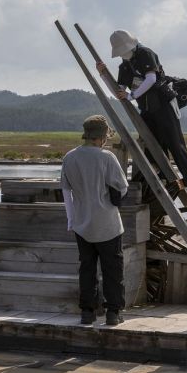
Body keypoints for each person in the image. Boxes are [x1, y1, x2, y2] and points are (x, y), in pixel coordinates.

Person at [98, 30, 187, 201]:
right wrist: (103, 75)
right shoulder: (124, 66)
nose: (122, 55)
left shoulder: (145, 54)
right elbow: (119, 92)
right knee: (152, 146)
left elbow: (151, 79)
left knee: (175, 145)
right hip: (146, 109)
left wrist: (131, 96)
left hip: (164, 105)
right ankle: (165, 179)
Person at [60, 115, 129, 326]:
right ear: (101, 137)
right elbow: (122, 187)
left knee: (87, 269)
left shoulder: (69, 158)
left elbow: (65, 191)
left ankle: (87, 312)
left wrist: (71, 220)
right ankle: (113, 313)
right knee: (112, 269)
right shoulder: (107, 157)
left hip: (82, 223)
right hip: (107, 222)